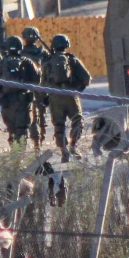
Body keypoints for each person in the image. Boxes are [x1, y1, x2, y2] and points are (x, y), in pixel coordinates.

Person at [42, 34, 92, 162]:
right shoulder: (72, 60)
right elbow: (87, 78)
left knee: (59, 125)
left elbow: (42, 85)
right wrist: (77, 89)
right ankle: (73, 146)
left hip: (55, 98)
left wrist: (45, 99)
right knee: (77, 121)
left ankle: (63, 151)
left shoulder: (47, 62)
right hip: (71, 97)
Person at [0, 36, 40, 146]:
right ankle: (19, 158)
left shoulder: (2, 63)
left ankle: (14, 157)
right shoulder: (27, 62)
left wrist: (2, 92)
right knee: (22, 131)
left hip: (7, 102)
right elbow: (36, 79)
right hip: (23, 102)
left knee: (12, 131)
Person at [21, 26, 50, 151]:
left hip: (26, 87)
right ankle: (41, 137)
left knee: (31, 114)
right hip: (42, 87)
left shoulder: (21, 53)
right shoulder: (43, 53)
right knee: (41, 112)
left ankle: (36, 140)